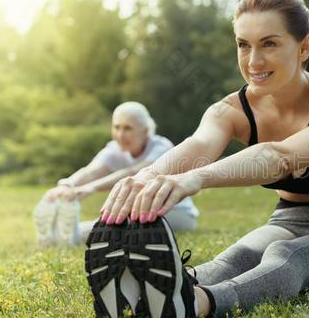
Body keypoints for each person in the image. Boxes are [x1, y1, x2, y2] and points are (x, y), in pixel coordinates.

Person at [84, 0, 309, 318]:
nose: (253, 61)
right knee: (236, 257)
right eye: (244, 45)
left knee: (286, 257)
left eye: (269, 43)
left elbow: (280, 156)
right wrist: (147, 178)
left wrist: (196, 179)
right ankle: (158, 290)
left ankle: (192, 304)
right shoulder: (231, 109)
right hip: (286, 219)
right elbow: (198, 145)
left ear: (304, 47)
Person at [34, 101, 199, 246]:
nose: (120, 134)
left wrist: (89, 189)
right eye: (116, 127)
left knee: (115, 224)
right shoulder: (114, 148)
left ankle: (71, 235)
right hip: (139, 211)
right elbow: (93, 170)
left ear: (145, 131)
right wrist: (67, 184)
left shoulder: (161, 147)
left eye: (128, 128)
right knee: (114, 222)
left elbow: (135, 173)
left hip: (176, 213)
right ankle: (60, 235)